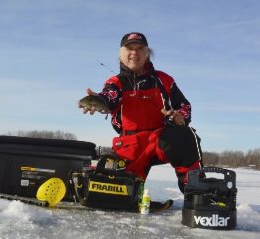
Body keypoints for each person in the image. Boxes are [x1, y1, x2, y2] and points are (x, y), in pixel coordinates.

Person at [79, 32, 203, 193]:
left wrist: (181, 118)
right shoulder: (115, 83)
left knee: (186, 135)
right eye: (129, 48)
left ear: (147, 53)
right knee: (115, 193)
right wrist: (100, 101)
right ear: (121, 53)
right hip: (130, 147)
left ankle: (196, 192)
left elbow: (184, 106)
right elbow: (110, 96)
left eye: (139, 48)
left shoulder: (164, 80)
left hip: (160, 141)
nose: (134, 53)